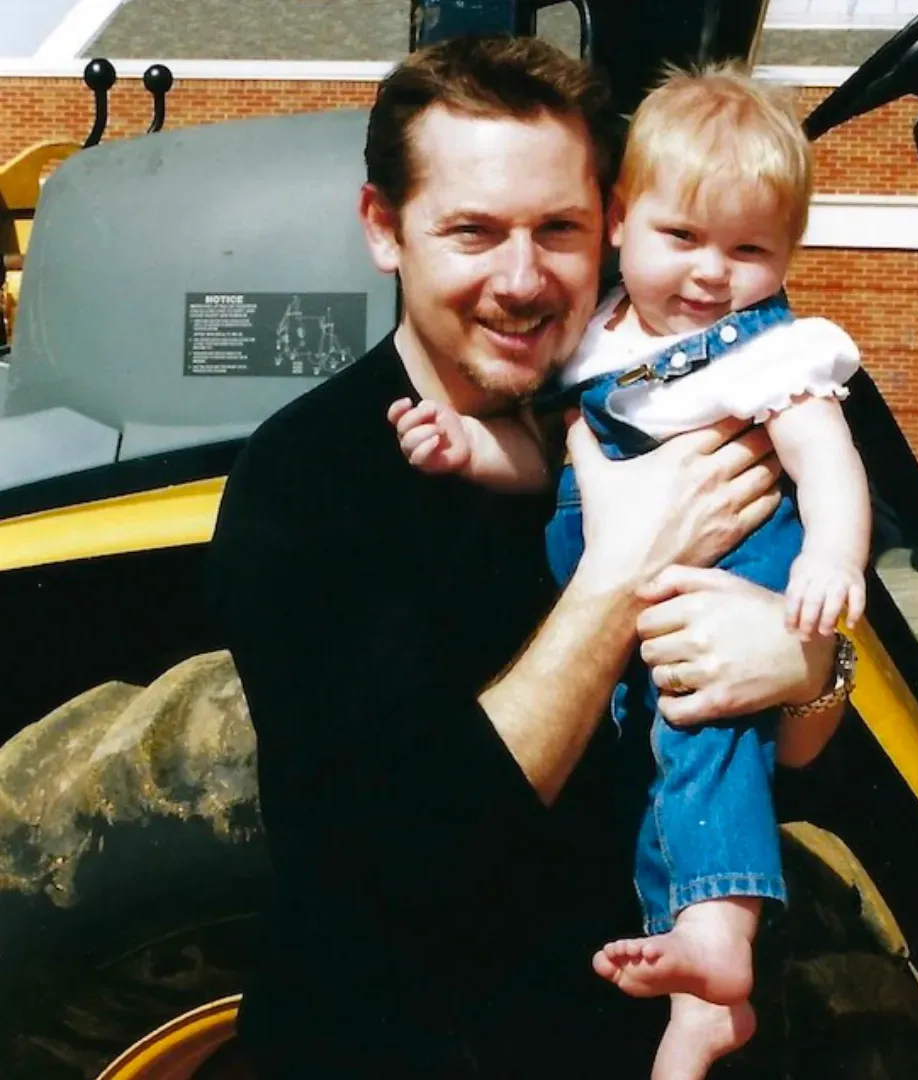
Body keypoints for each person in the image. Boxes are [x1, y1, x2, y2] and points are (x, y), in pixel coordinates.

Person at [207, 36, 848, 1080]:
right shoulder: (309, 484)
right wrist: (622, 574)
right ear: (385, 228)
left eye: (558, 229)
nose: (521, 280)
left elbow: (817, 773)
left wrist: (807, 664)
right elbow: (411, 850)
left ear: (611, 226)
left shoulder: (677, 422)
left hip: (630, 1032)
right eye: (473, 231)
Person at [389, 62, 870, 1080]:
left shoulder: (763, 354)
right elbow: (557, 460)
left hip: (724, 586)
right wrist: (467, 448)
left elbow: (827, 460)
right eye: (682, 237)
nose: (711, 275)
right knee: (664, 763)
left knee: (700, 733)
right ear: (623, 221)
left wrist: (831, 565)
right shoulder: (606, 334)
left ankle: (718, 954)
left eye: (749, 250)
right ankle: (702, 981)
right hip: (639, 612)